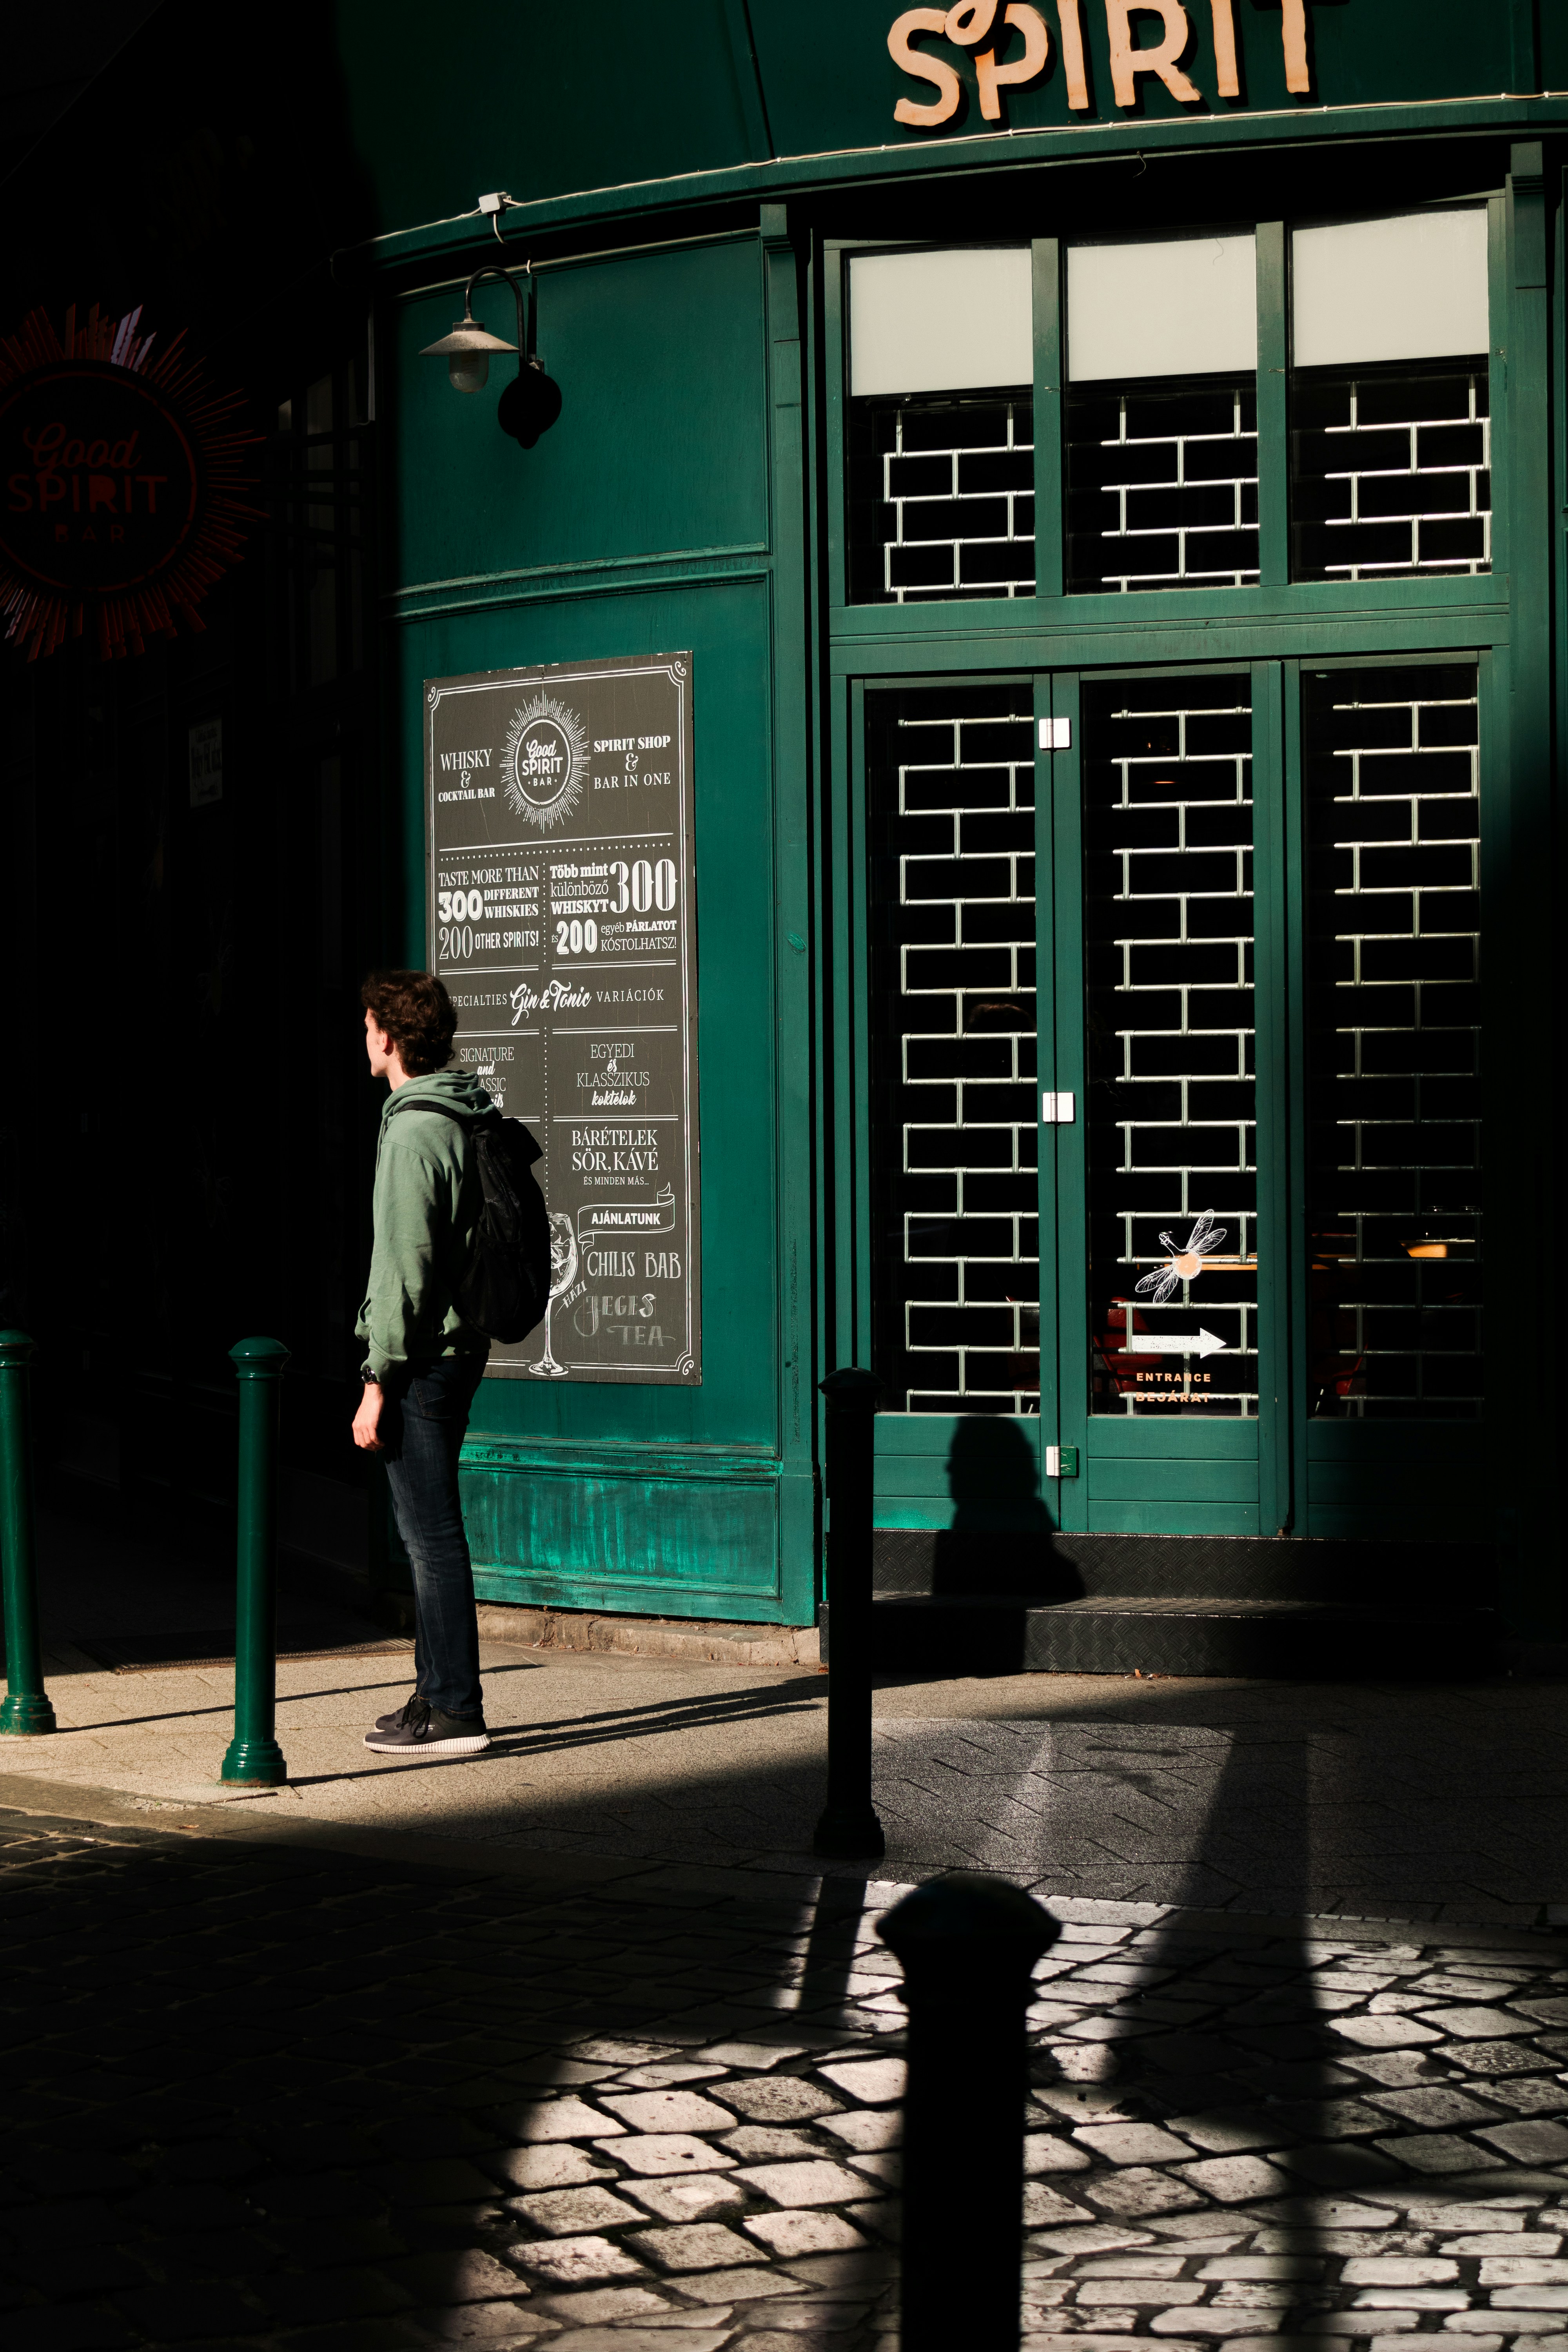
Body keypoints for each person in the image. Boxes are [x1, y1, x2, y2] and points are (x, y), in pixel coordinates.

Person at [353, 970, 494, 1757]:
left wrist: (377, 1381)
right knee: (427, 1534)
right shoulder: (455, 1110)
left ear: (389, 1034)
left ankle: (455, 1710)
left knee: (430, 1537)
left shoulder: (413, 1132)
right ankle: (431, 1694)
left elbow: (403, 1267)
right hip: (455, 1348)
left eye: (366, 1023)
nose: (362, 1037)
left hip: (422, 1358)